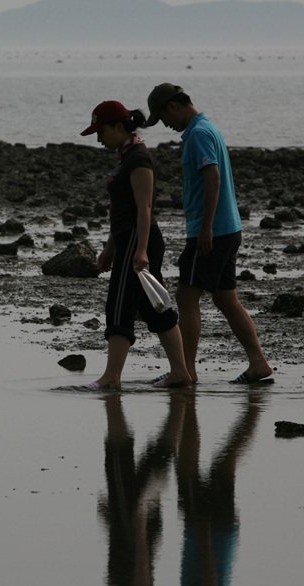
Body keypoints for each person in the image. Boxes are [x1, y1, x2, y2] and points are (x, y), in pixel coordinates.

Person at [145, 83, 272, 384]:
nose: (166, 125)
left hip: (212, 232)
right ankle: (258, 363)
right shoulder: (207, 127)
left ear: (173, 106)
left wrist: (206, 228)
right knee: (226, 299)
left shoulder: (199, 134)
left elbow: (212, 178)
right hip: (228, 229)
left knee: (186, 296)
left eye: (163, 118)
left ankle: (185, 371)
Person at [79, 100, 192, 390]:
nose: (99, 139)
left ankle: (111, 377)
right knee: (154, 305)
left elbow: (144, 209)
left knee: (119, 305)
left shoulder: (139, 159)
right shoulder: (127, 155)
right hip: (129, 239)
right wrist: (109, 248)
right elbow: (122, 211)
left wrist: (140, 250)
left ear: (118, 127)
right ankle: (180, 372)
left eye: (101, 132)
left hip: (138, 240)